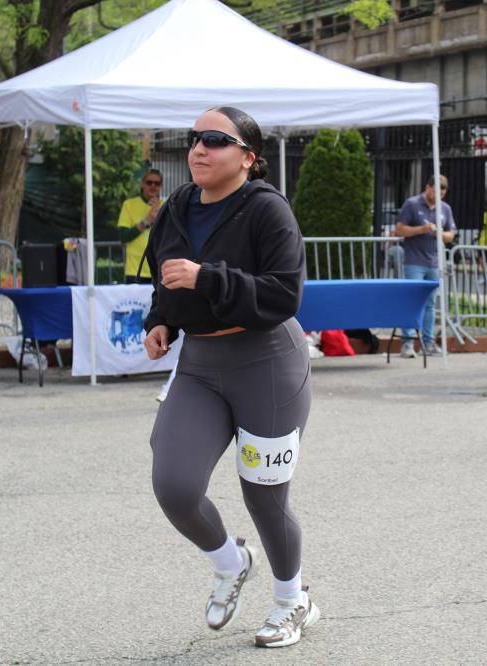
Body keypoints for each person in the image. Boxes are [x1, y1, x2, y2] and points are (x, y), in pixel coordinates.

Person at [142, 106, 319, 648]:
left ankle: (292, 601)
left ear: (247, 157)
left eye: (215, 140)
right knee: (174, 485)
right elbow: (164, 277)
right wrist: (161, 320)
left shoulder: (267, 210)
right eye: (194, 138)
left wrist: (207, 279)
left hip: (267, 362)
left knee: (264, 495)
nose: (199, 148)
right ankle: (230, 561)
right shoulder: (177, 206)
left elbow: (283, 294)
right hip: (200, 364)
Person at [395, 175, 456, 358]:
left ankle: (428, 343)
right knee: (412, 300)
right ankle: (407, 343)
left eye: (442, 192)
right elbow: (399, 229)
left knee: (430, 303)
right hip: (414, 261)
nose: (439, 195)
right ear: (428, 188)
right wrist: (421, 229)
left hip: (434, 262)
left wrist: (440, 234)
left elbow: (451, 235)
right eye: (436, 191)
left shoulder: (445, 208)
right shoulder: (412, 204)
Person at [118, 169, 164, 283]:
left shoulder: (166, 206)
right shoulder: (129, 205)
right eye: (149, 182)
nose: (153, 186)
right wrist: (147, 221)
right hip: (135, 271)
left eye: (157, 183)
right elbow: (123, 237)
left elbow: (171, 237)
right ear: (142, 184)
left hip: (160, 270)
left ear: (161, 186)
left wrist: (159, 218)